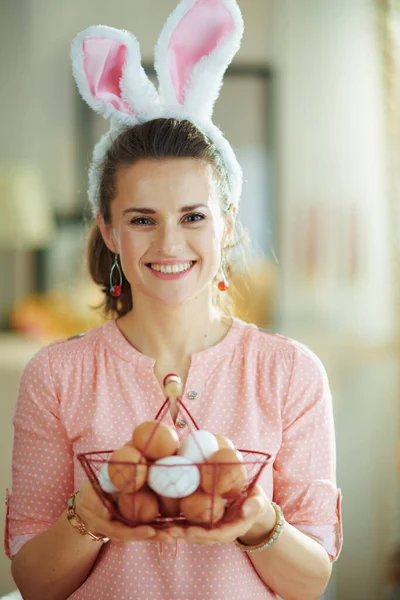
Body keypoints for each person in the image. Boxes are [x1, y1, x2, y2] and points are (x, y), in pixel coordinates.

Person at [5, 1, 342, 598]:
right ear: (108, 230)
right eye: (141, 219)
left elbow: (311, 580)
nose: (169, 243)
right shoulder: (56, 375)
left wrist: (258, 521)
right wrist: (88, 515)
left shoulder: (290, 372)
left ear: (227, 225)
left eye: (193, 216)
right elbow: (32, 583)